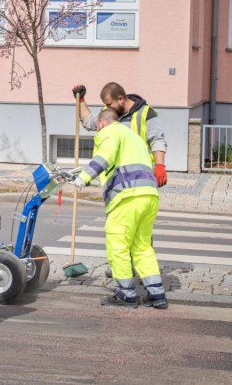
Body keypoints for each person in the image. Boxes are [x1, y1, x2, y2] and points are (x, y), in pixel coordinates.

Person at [72, 109, 167, 309]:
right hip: (149, 195)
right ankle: (157, 295)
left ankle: (126, 295)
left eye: (97, 126)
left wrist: (84, 177)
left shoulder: (110, 132)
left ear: (101, 123)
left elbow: (105, 155)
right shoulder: (132, 137)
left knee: (118, 245)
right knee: (142, 247)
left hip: (127, 196)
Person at [72, 82, 167, 186]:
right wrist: (80, 100)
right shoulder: (108, 111)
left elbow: (157, 140)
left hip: (139, 173)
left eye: (109, 104)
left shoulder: (146, 113)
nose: (107, 108)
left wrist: (160, 166)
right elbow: (89, 123)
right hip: (116, 177)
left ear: (120, 99)